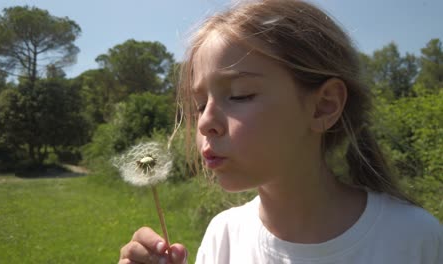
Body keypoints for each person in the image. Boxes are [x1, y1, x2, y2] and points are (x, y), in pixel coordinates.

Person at [118, 0, 442, 263]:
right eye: (200, 104)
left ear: (324, 106)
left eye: (240, 95)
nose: (204, 123)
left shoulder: (414, 239)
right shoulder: (224, 237)